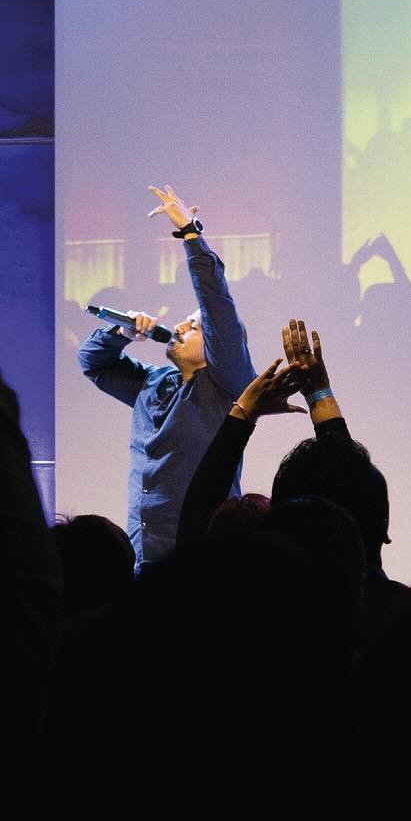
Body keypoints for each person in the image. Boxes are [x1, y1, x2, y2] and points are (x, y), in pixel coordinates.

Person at [76, 184, 255, 566]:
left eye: (194, 326)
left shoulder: (227, 385)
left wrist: (190, 233)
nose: (180, 327)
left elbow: (217, 306)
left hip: (201, 563)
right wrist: (122, 332)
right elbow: (93, 363)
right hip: (143, 561)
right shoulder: (153, 382)